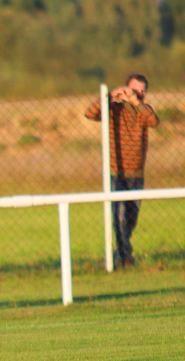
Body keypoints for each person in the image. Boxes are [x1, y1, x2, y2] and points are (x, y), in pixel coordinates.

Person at [85, 73, 159, 268]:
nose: (138, 95)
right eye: (134, 91)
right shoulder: (114, 110)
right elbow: (90, 113)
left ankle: (120, 253)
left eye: (142, 92)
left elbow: (153, 121)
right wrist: (109, 95)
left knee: (131, 219)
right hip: (117, 173)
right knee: (119, 217)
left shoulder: (144, 111)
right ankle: (126, 258)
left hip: (137, 174)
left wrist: (136, 102)